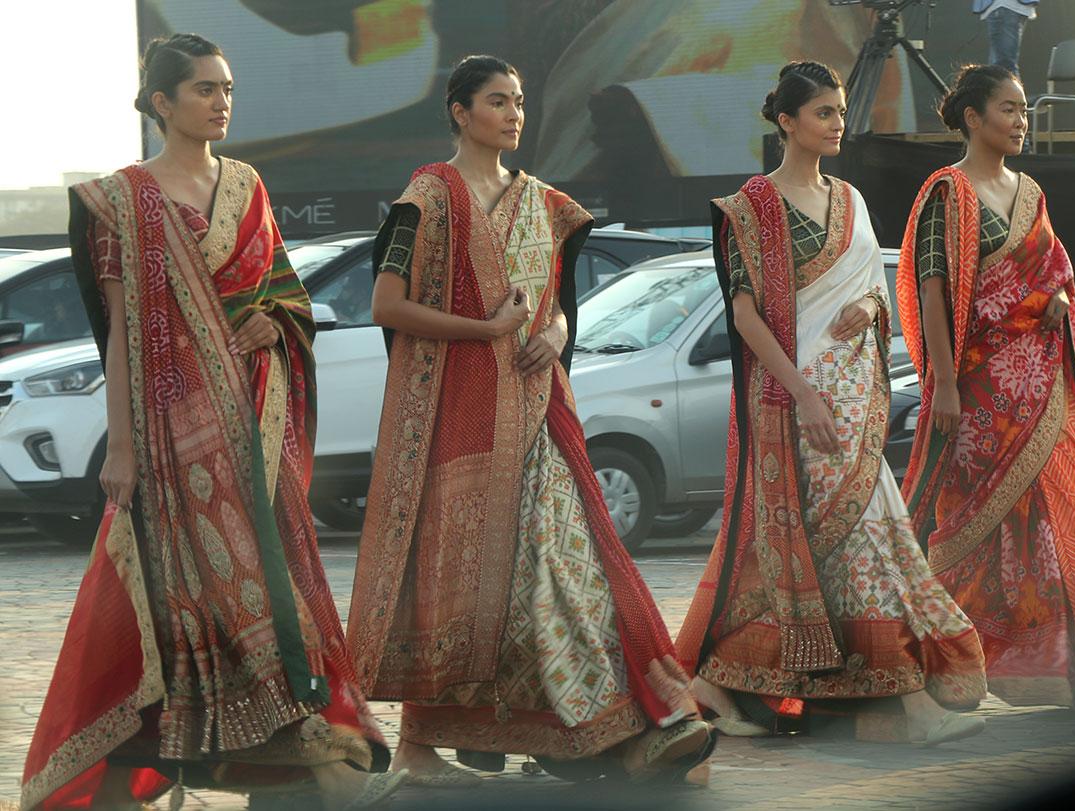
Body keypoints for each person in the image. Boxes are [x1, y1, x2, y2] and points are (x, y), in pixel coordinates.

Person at [20, 34, 404, 811]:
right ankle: (130, 768)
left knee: (269, 592)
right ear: (162, 103)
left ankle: (293, 765)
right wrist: (122, 448)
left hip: (254, 429)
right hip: (169, 433)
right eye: (204, 89)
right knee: (161, 608)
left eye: (227, 88)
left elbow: (288, 295)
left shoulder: (249, 185)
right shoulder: (123, 199)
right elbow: (124, 332)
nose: (221, 101)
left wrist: (273, 320)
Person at [346, 54, 714, 786]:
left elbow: (562, 311)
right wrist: (483, 332)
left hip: (541, 416)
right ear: (459, 111)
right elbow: (386, 306)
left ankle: (620, 719)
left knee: (568, 563)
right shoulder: (426, 197)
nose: (514, 113)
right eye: (496, 101)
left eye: (518, 100)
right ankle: (425, 745)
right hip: (459, 420)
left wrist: (556, 336)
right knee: (454, 584)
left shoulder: (546, 204)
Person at [673, 61, 988, 745]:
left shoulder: (849, 200)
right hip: (794, 402)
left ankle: (720, 682)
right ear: (786, 121)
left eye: (840, 111)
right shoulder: (752, 205)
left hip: (854, 399)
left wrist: (868, 307)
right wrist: (803, 392)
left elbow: (876, 290)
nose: (837, 123)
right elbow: (747, 315)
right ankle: (903, 704)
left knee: (840, 545)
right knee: (861, 537)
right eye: (822, 112)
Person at [896, 64, 1075, 711]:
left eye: (1025, 110)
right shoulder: (948, 191)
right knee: (981, 534)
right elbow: (932, 288)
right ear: (973, 117)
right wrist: (941, 384)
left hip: (1042, 388)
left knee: (1074, 514)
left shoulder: (1029, 191)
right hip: (978, 395)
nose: (1022, 121)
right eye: (1009, 109)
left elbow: (1056, 271)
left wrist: (1056, 296)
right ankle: (937, 653)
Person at [973, 0, 1039, 77]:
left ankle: (1009, 89)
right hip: (1007, 7)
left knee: (1003, 68)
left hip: (1003, 6)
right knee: (998, 68)